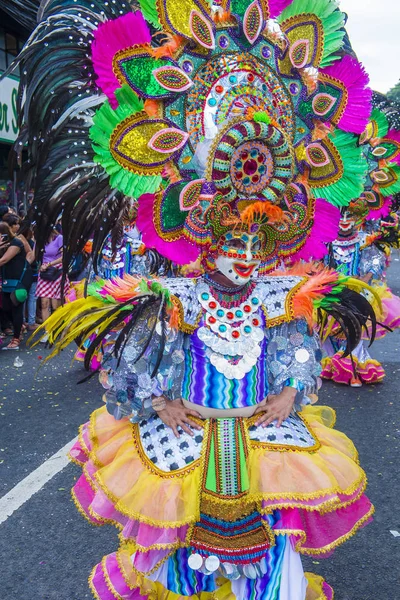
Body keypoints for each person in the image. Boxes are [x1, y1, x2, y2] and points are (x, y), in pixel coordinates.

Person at [16, 0, 398, 597]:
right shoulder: (172, 297)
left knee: (269, 547)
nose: (244, 252)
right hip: (188, 439)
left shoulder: (282, 293)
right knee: (181, 547)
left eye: (256, 237)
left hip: (258, 444)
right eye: (232, 237)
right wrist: (159, 400)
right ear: (204, 238)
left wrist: (291, 391)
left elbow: (296, 352)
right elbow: (133, 362)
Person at [0, 221, 33, 349]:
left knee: (16, 306)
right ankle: (20, 326)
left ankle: (15, 339)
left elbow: (4, 260)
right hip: (8, 279)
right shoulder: (4, 244)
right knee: (5, 307)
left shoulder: (16, 243)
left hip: (20, 279)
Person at [35, 226, 70, 323]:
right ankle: (47, 331)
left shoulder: (59, 238)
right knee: (44, 303)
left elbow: (63, 257)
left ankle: (56, 327)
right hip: (44, 273)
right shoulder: (40, 241)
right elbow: (33, 255)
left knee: (55, 305)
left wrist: (49, 264)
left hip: (57, 272)